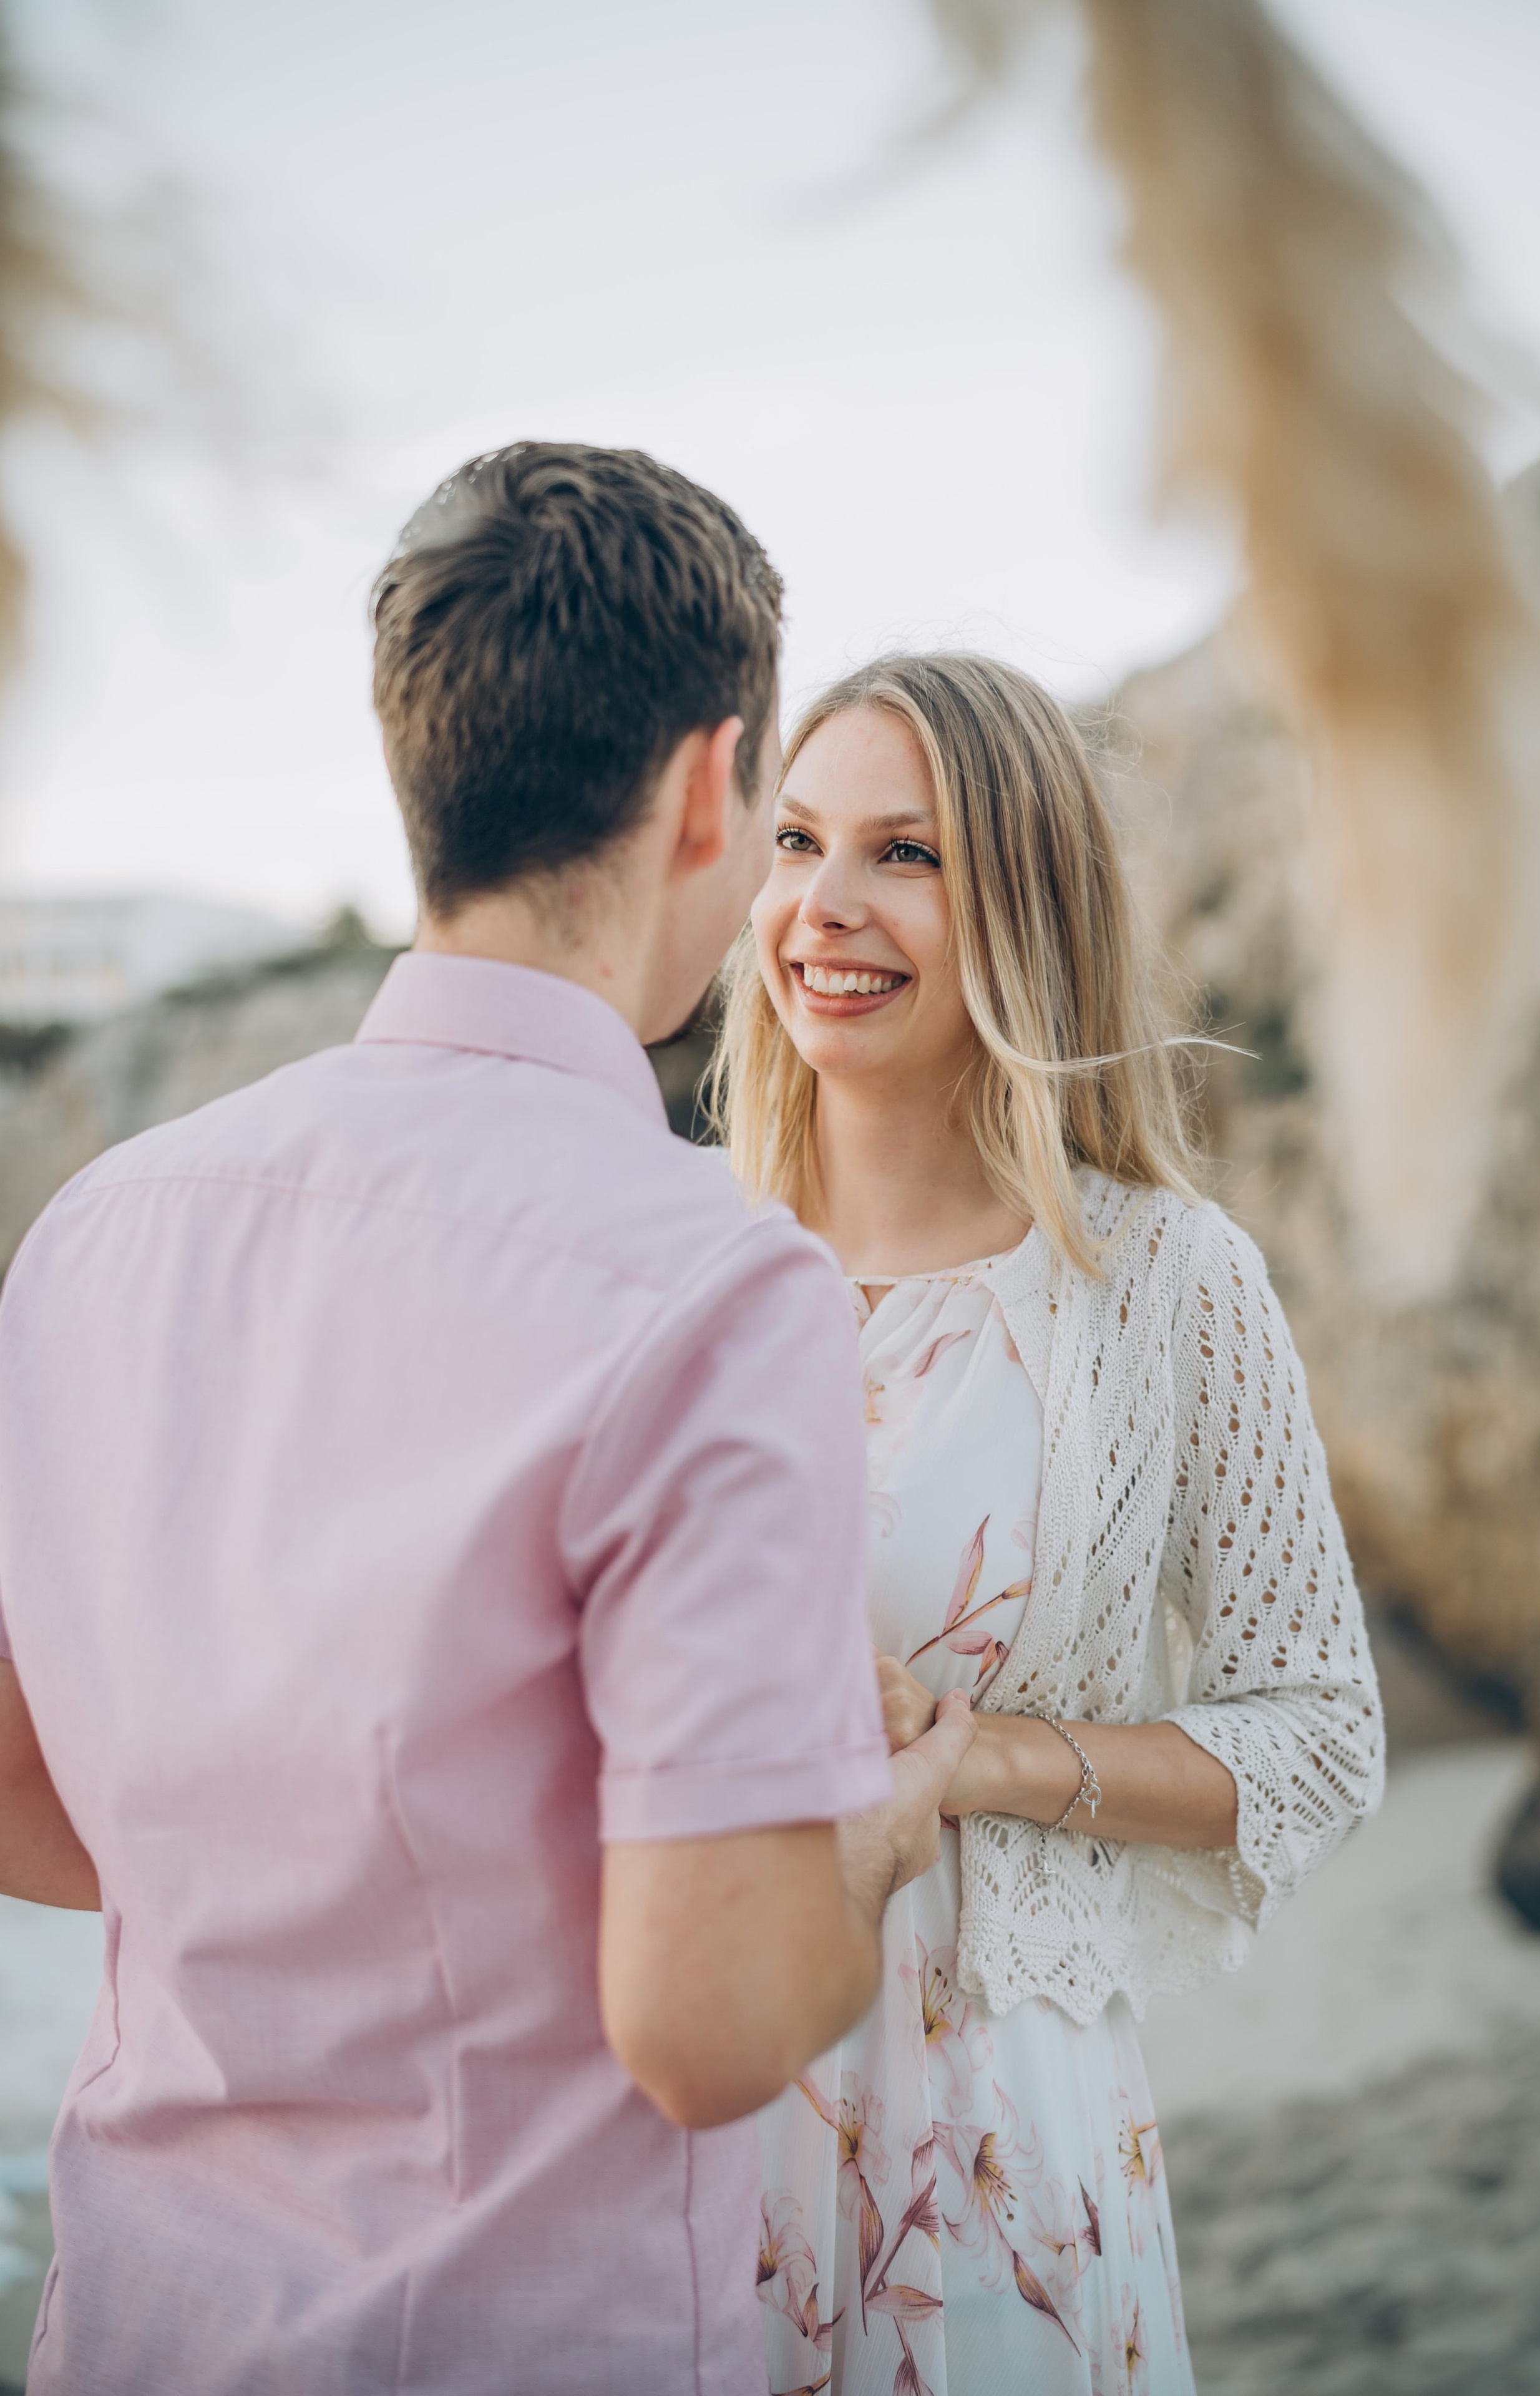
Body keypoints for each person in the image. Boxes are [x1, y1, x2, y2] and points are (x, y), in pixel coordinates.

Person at [0, 446, 974, 2396]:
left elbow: (36, 1806)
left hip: (130, 2326)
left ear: (419, 766)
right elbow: (708, 2029)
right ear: (714, 784)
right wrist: (876, 1828)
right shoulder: (713, 1280)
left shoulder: (98, 1230)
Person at [709, 653, 1386, 2396]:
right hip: (694, 2121)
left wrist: (986, 1763)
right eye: (795, 841)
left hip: (1008, 2144)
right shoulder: (678, 1280)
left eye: (906, 855)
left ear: (1024, 901)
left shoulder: (1164, 1286)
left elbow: (1317, 1739)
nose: (826, 908)